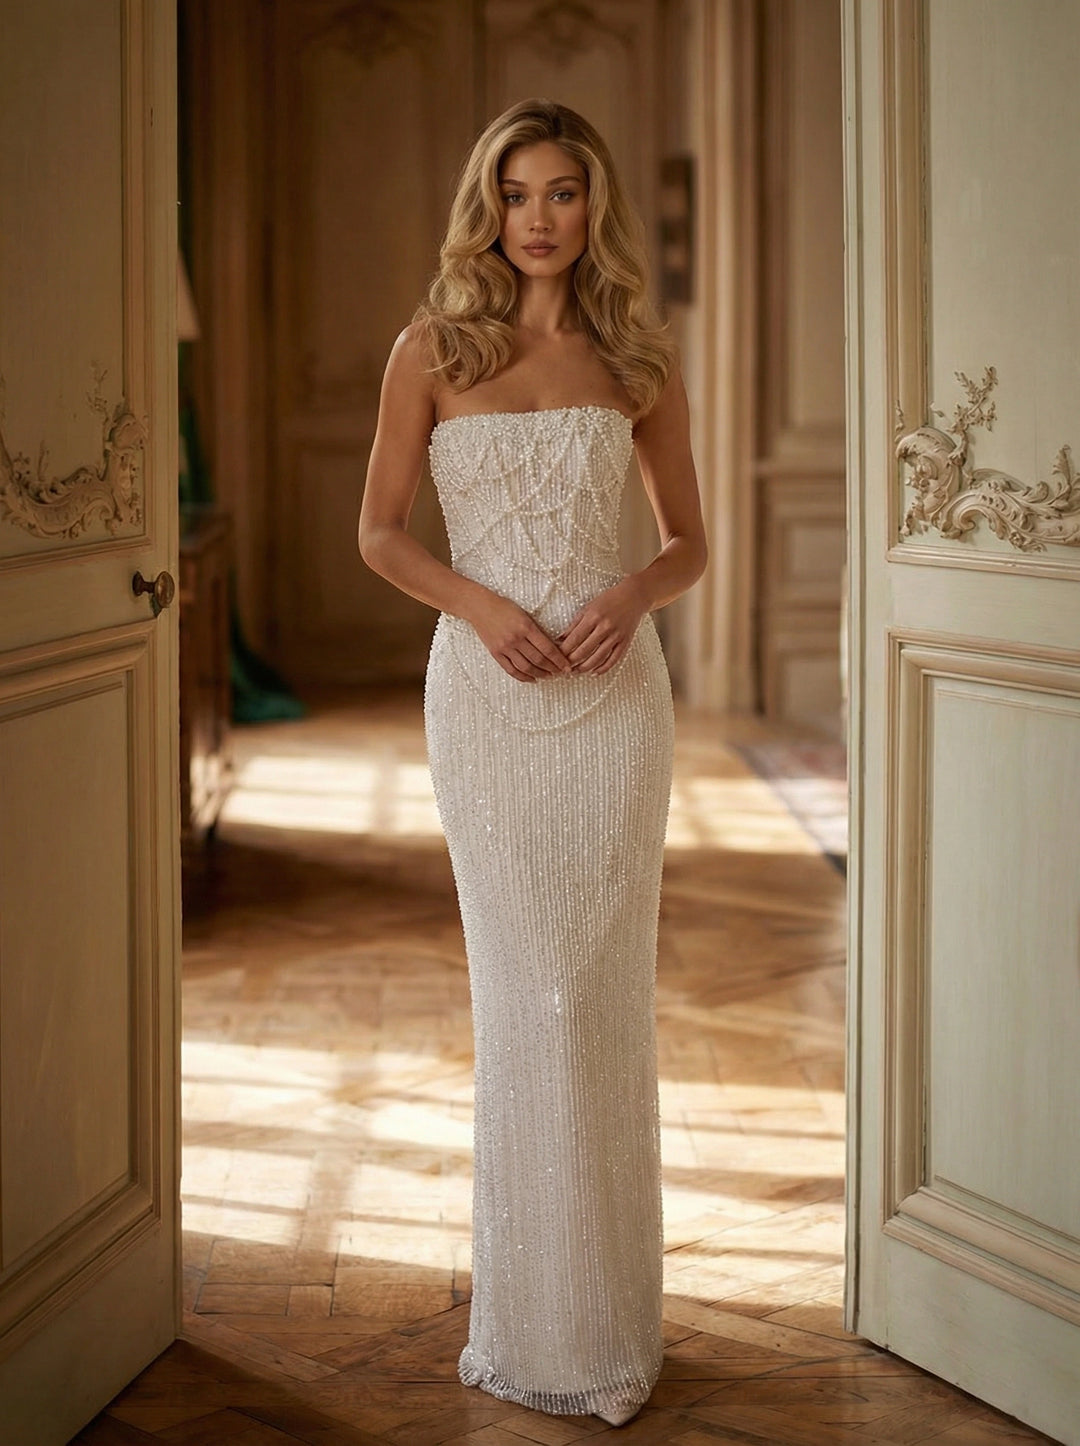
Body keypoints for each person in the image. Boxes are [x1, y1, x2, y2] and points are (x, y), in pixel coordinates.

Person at [358, 97, 707, 1429]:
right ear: (488, 208)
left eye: (564, 193)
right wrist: (483, 606)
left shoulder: (634, 354)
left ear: (592, 206)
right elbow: (380, 532)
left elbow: (691, 541)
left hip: (616, 707)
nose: (542, 218)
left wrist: (636, 591)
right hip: (488, 706)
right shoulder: (431, 349)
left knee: (597, 998)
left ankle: (614, 1329)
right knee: (526, 1001)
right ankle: (528, 1324)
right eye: (519, 195)